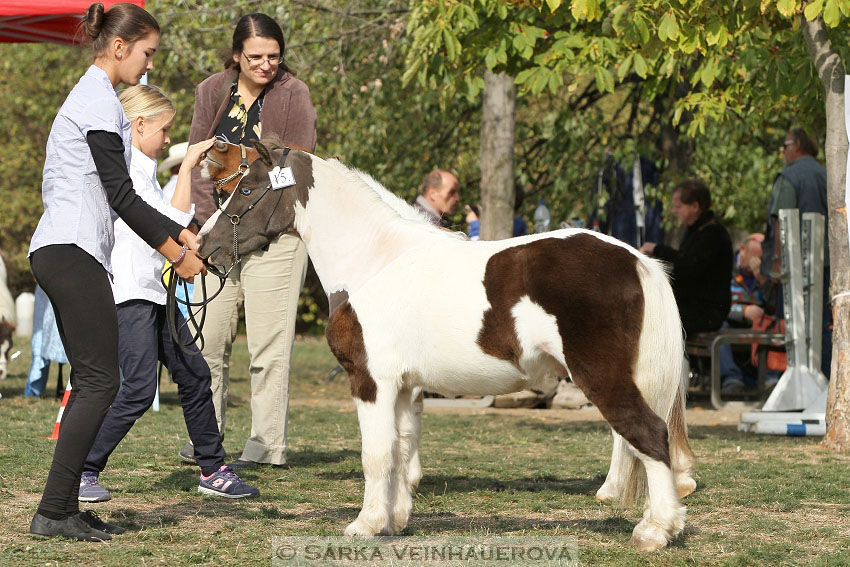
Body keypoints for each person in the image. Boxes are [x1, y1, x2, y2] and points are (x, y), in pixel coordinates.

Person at [26, 3, 206, 541]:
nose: (149, 66)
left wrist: (180, 235)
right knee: (103, 380)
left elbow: (124, 197)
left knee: (95, 382)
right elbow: (122, 195)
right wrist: (176, 251)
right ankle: (55, 511)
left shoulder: (93, 96)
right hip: (69, 249)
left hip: (68, 249)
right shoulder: (100, 101)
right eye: (147, 54)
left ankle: (59, 507)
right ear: (120, 46)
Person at [76, 85, 258, 506]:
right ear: (140, 125)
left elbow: (171, 220)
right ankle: (82, 468)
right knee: (138, 389)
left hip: (154, 291)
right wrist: (180, 250)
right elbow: (153, 229)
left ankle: (213, 469)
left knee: (194, 375)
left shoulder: (145, 172)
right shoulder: (123, 171)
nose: (166, 138)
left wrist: (188, 169)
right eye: (164, 130)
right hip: (129, 292)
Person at [184, 13, 317, 470]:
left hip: (278, 234)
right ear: (237, 54)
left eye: (274, 56)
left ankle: (266, 445)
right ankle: (207, 440)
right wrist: (206, 223)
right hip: (216, 233)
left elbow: (298, 165)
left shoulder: (293, 94)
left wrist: (256, 169)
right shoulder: (211, 92)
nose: (266, 65)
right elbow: (198, 161)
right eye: (256, 56)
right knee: (208, 341)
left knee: (268, 347)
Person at [762, 128, 831, 378]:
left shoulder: (789, 177)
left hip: (794, 267)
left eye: (785, 145)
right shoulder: (829, 175)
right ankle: (824, 379)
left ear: (797, 145)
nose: (783, 152)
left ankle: (789, 379)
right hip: (824, 265)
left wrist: (778, 262)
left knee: (791, 326)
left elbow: (783, 221)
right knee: (821, 324)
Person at [639, 179, 733, 336]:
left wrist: (657, 249)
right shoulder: (695, 232)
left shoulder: (712, 233)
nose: (674, 211)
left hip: (707, 312)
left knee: (649, 321)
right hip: (691, 308)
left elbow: (688, 266)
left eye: (678, 206)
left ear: (695, 207)